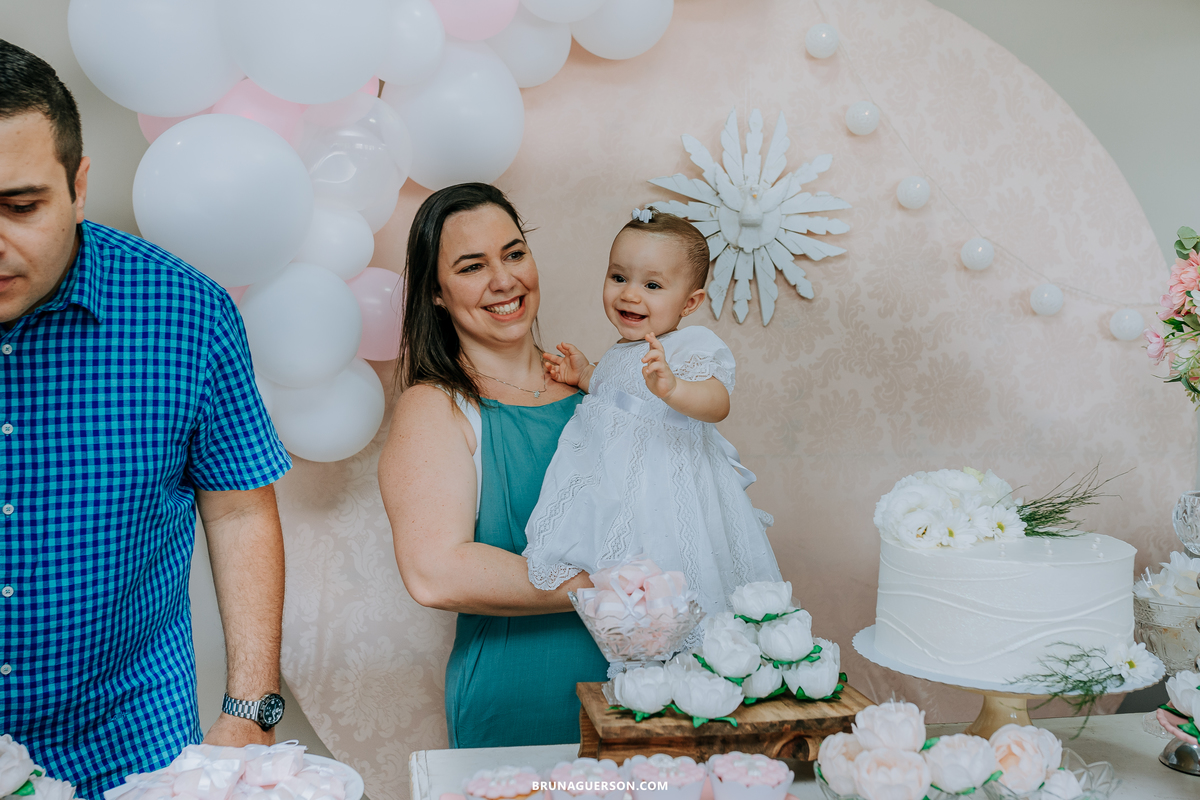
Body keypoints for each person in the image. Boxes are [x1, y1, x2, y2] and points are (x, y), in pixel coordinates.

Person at [0, 41, 292, 799]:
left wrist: (249, 710)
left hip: (127, 758)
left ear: (79, 186)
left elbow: (238, 510)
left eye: (20, 206)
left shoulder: (187, 316)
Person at [379, 183, 609, 749]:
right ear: (435, 292)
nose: (504, 280)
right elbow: (436, 571)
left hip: (647, 694)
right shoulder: (435, 406)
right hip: (523, 704)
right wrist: (617, 585)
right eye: (471, 266)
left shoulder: (597, 389)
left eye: (513, 253)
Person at [522, 209, 782, 616]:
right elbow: (619, 397)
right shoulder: (622, 350)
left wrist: (675, 389)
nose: (629, 294)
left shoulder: (689, 344)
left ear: (690, 301)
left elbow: (717, 402)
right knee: (623, 575)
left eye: (653, 284)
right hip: (613, 482)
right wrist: (585, 374)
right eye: (619, 277)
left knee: (671, 571)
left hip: (660, 481)